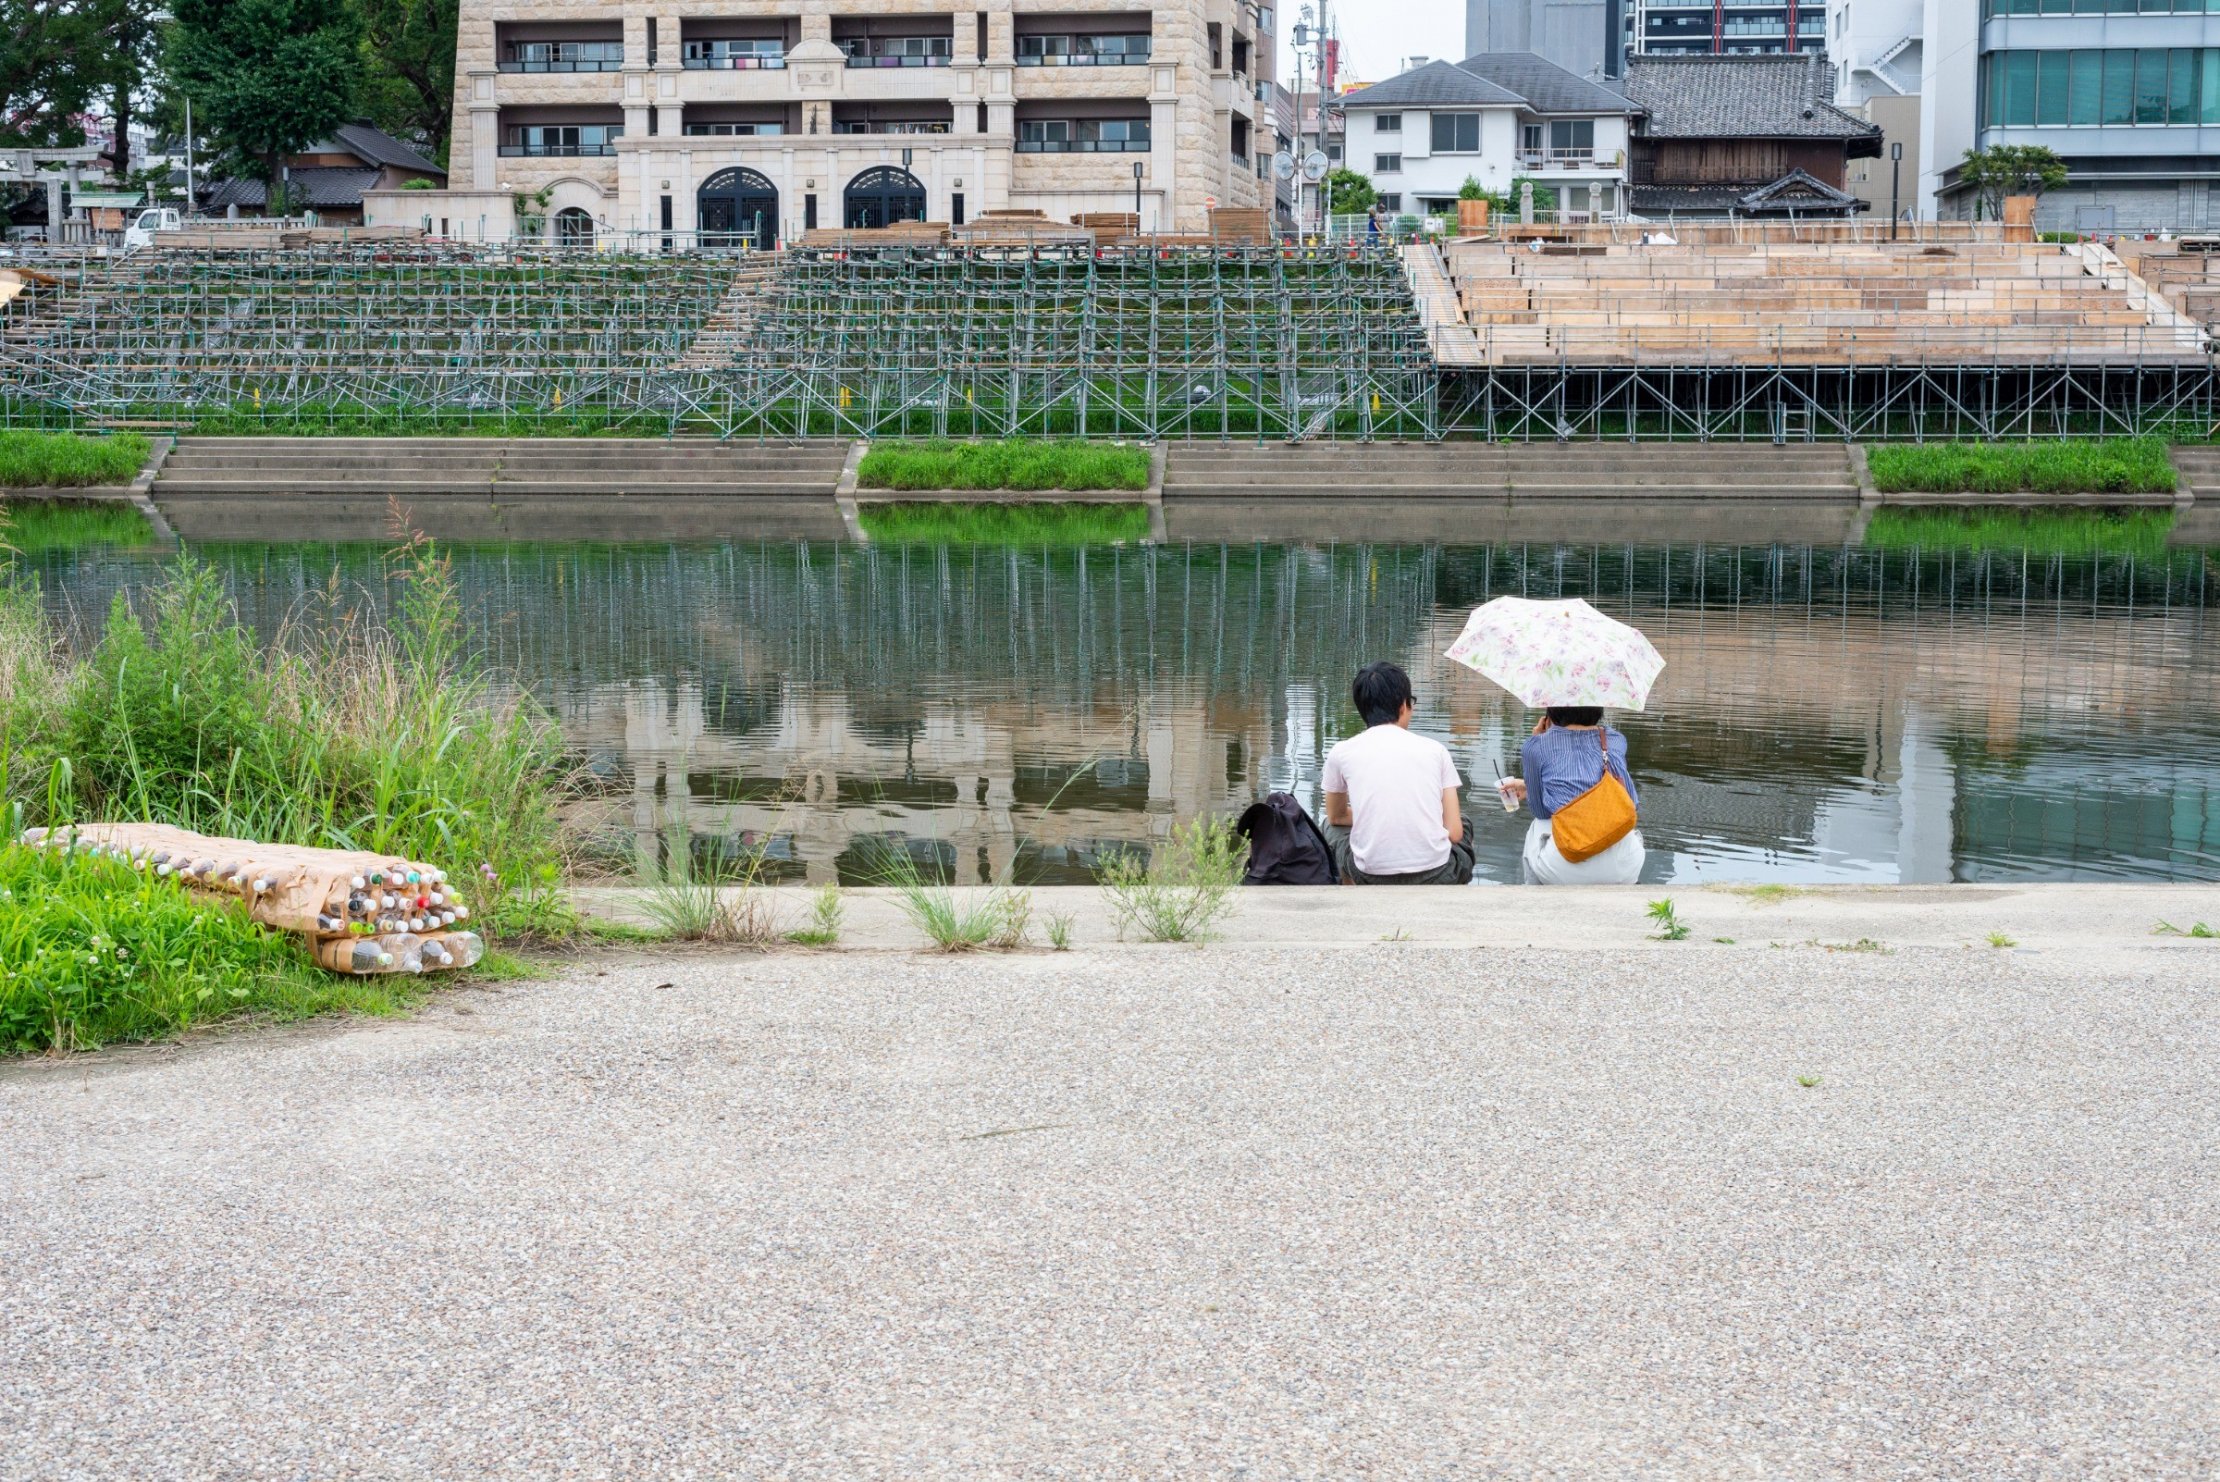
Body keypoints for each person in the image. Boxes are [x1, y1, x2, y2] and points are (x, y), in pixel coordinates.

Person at [1321, 662, 1474, 886]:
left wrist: (1371, 813)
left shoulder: (1341, 752)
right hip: (1437, 874)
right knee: (1464, 822)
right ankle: (1450, 897)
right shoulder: (1436, 750)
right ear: (1404, 705)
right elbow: (1454, 834)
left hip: (1369, 875)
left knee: (1329, 827)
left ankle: (1352, 892)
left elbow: (1336, 817)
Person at [1500, 707, 1644, 885]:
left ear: (1551, 712)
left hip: (1563, 868)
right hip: (1624, 867)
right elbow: (1632, 803)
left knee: (1540, 824)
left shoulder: (1535, 746)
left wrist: (1538, 739)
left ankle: (1535, 898)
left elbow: (1540, 811)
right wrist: (1526, 784)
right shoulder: (1615, 740)